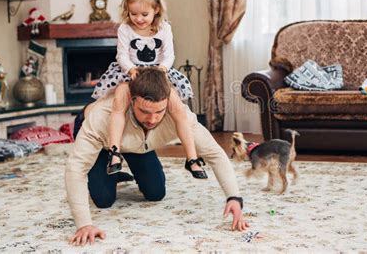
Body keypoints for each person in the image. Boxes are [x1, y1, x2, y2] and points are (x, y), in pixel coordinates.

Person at [66, 68, 249, 246]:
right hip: (105, 145)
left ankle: (119, 170)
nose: (152, 119)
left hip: (138, 144)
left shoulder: (179, 115)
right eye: (145, 112)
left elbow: (214, 154)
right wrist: (84, 224)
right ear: (131, 101)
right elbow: (76, 168)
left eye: (158, 112)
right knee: (103, 199)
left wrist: (234, 197)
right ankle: (111, 172)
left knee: (156, 193)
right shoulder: (101, 118)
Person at [89, 0, 206, 179]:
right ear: (127, 10)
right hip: (130, 72)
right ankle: (114, 152)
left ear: (157, 9)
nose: (139, 19)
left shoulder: (164, 28)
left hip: (158, 72)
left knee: (178, 109)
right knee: (119, 103)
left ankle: (192, 158)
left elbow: (169, 54)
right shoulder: (125, 29)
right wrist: (131, 69)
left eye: (144, 14)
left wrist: (163, 68)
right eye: (133, 14)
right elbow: (122, 55)